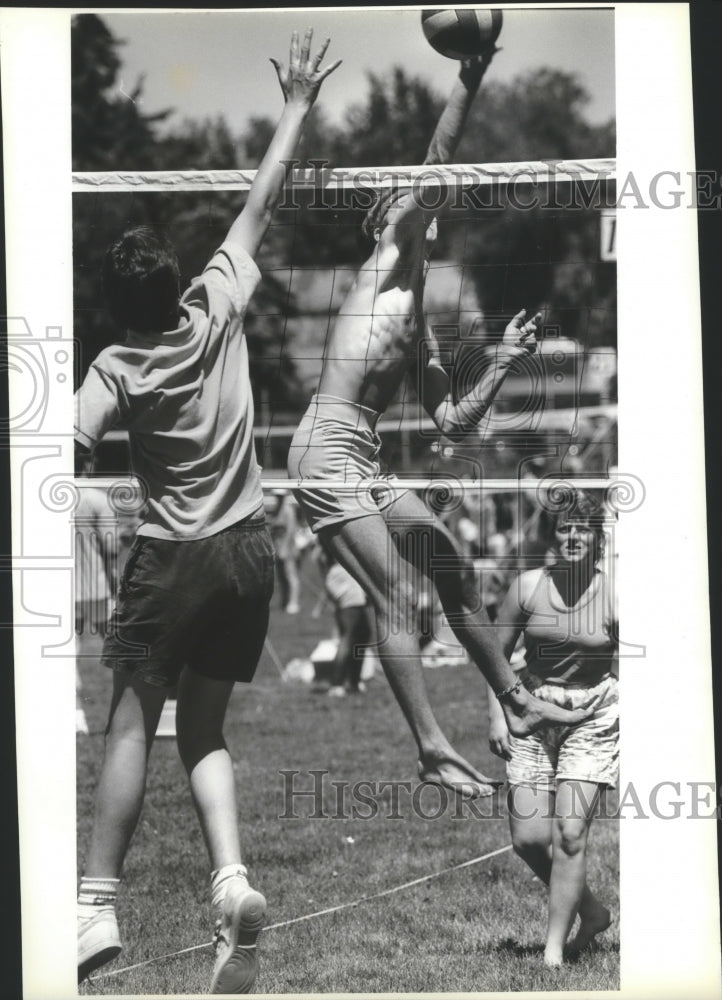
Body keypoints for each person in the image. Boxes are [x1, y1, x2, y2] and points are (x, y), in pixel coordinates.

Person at [74, 31, 340, 992]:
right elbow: (262, 198)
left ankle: (94, 906)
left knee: (131, 728)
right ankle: (231, 885)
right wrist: (299, 104)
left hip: (172, 558)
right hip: (247, 556)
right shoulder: (220, 298)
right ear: (176, 282)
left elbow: (60, 446)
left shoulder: (116, 363)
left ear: (117, 304)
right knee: (208, 729)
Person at [288, 49, 596, 800]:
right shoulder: (387, 261)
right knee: (399, 595)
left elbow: (453, 422)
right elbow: (438, 159)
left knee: (451, 571)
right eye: (403, 199)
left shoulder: (418, 318)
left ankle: (515, 699)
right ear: (386, 220)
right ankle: (430, 745)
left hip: (362, 454)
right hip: (326, 448)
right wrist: (470, 74)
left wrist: (504, 361)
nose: (421, 202)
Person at [487, 490, 618, 966]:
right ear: (552, 536)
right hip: (531, 707)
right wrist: (497, 713)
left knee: (569, 832)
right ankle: (593, 912)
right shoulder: (527, 587)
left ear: (598, 537)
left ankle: (553, 951)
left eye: (583, 527)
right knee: (528, 839)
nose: (573, 536)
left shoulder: (616, 593)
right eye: (564, 528)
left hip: (592, 714)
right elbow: (494, 657)